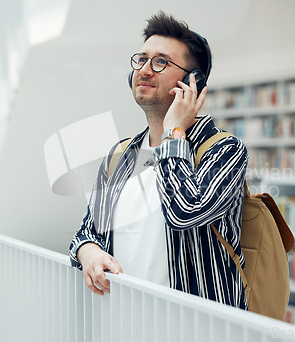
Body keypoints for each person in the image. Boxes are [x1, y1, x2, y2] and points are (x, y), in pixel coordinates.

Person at [69, 11, 248, 309]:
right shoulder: (119, 156)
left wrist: (173, 131)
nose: (145, 70)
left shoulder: (225, 150)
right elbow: (88, 229)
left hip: (197, 328)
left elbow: (185, 211)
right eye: (141, 59)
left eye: (161, 62)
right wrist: (87, 251)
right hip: (125, 321)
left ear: (192, 82)